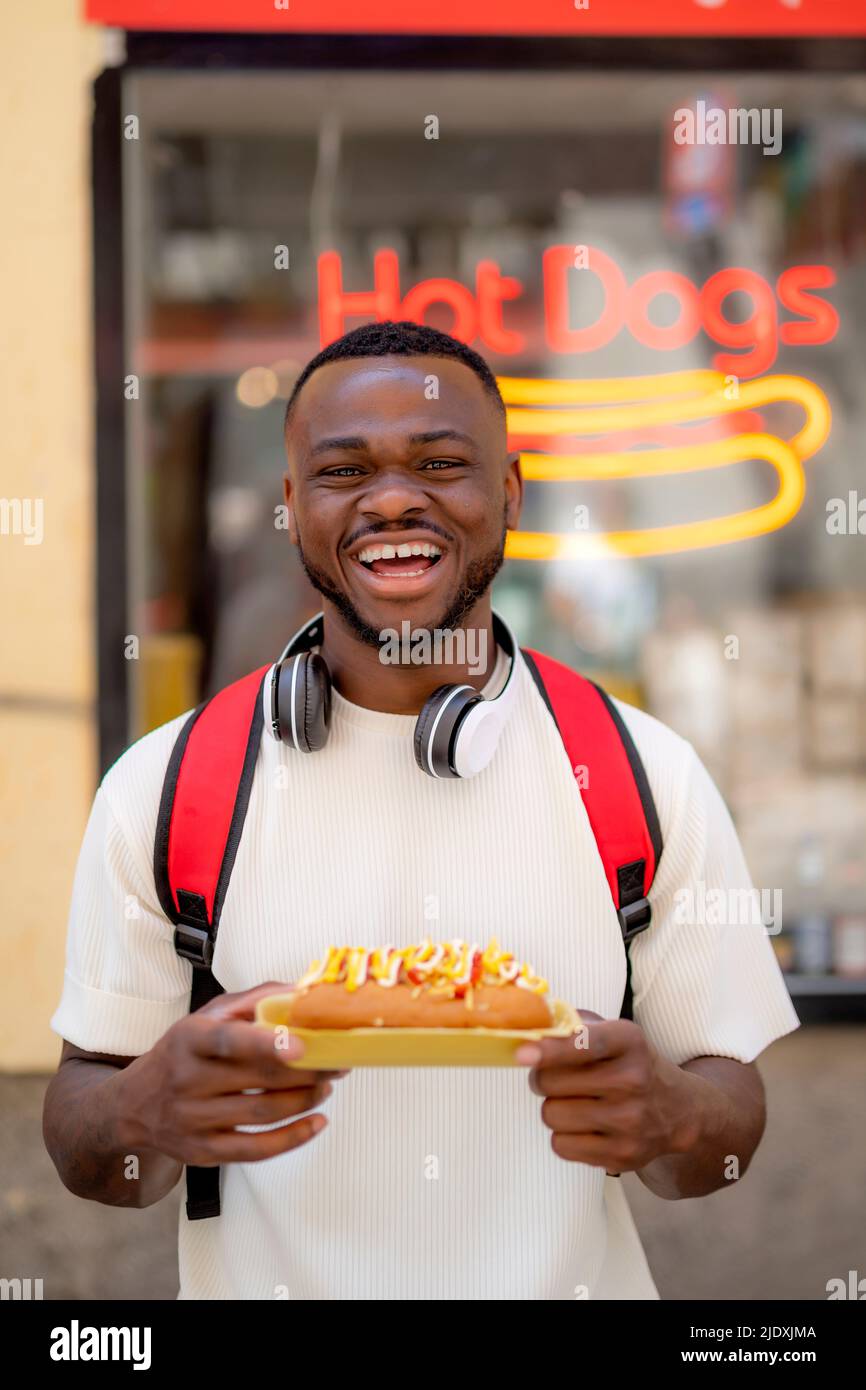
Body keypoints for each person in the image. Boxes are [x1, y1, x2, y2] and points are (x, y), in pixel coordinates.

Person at [43, 321, 798, 1300]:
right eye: (342, 471)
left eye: (440, 462)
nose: (392, 498)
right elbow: (84, 1132)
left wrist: (672, 1119)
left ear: (511, 492)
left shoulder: (641, 773)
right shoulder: (164, 786)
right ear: (291, 506)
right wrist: (140, 1113)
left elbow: (726, 1114)